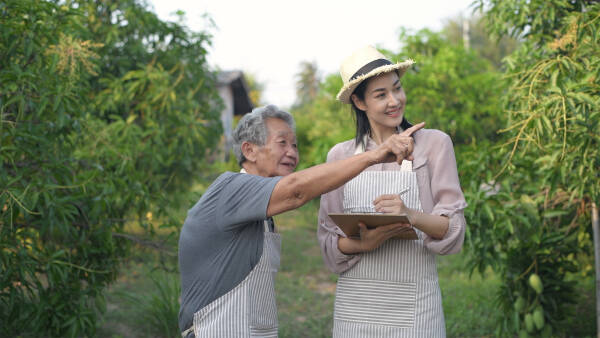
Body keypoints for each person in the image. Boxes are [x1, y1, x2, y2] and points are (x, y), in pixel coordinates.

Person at [178, 104, 422, 337]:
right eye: (282, 143)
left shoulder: (262, 213)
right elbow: (296, 191)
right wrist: (374, 156)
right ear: (249, 150)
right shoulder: (231, 188)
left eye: (295, 145)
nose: (292, 153)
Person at [318, 46, 468, 337]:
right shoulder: (340, 156)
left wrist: (410, 215)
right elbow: (328, 241)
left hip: (415, 306)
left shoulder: (434, 145)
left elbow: (453, 230)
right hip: (356, 307)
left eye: (397, 89)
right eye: (381, 94)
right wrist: (363, 243)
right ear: (359, 102)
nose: (394, 100)